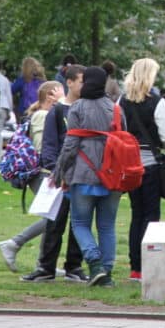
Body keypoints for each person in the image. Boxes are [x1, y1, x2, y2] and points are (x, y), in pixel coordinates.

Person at [54, 66, 124, 287]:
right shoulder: (116, 109)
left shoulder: (78, 108)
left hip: (84, 175)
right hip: (112, 176)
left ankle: (95, 263)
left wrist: (59, 172)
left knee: (80, 223)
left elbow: (70, 145)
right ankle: (108, 271)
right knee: (107, 225)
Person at [21, 65, 88, 282]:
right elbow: (50, 143)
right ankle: (46, 266)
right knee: (54, 222)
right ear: (69, 82)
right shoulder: (58, 111)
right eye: (81, 81)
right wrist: (53, 169)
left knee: (79, 221)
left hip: (82, 174)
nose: (84, 85)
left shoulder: (87, 108)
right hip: (62, 174)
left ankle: (74, 265)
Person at [0, 80, 63, 271]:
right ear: (51, 95)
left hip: (44, 172)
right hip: (43, 172)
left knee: (52, 217)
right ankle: (13, 243)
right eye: (61, 90)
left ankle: (44, 263)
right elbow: (43, 147)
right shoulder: (43, 115)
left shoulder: (43, 114)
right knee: (55, 216)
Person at [119, 58, 165, 281]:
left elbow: (118, 128)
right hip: (150, 163)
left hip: (130, 164)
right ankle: (147, 263)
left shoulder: (121, 101)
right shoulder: (157, 101)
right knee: (151, 215)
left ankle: (135, 267)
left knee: (136, 214)